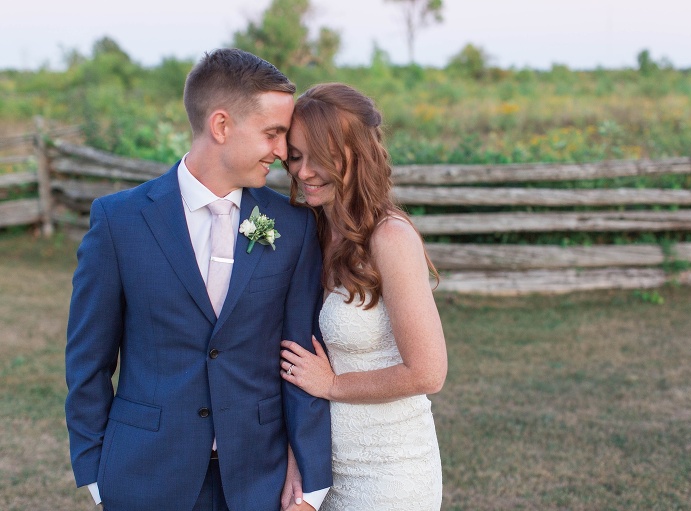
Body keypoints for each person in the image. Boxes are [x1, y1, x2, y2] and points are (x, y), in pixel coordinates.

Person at [64, 48, 332, 511]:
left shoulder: (293, 226)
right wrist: (95, 472)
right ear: (222, 126)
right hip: (143, 475)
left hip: (257, 480)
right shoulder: (119, 221)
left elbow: (300, 355)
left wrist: (309, 477)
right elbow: (88, 360)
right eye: (273, 132)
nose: (283, 151)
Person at [278, 83, 447, 510]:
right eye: (296, 156)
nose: (303, 172)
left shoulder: (390, 238)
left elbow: (428, 372)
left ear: (359, 154)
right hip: (322, 467)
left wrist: (332, 384)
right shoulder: (309, 231)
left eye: (320, 157)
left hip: (388, 471)